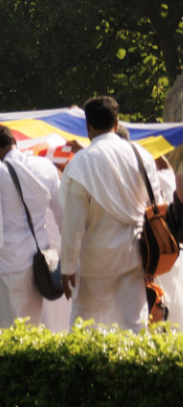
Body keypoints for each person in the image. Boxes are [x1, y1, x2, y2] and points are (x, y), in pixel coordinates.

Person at [60, 95, 161, 330]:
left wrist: (67, 266)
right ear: (116, 124)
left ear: (88, 127)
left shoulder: (81, 162)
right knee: (133, 325)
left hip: (95, 258)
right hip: (134, 253)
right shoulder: (141, 156)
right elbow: (155, 205)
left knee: (88, 326)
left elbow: (73, 222)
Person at [0, 124, 62, 329]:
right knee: (34, 323)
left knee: (10, 329)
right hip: (41, 259)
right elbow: (62, 214)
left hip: (9, 261)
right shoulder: (45, 166)